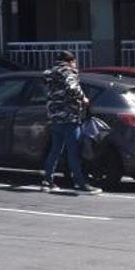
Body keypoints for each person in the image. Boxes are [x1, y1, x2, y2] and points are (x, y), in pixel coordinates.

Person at [41, 49, 95, 194]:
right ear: (70, 61)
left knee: (55, 150)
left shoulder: (50, 73)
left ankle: (47, 180)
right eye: (74, 62)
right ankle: (80, 182)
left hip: (54, 117)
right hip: (69, 117)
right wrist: (84, 98)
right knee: (73, 151)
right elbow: (73, 87)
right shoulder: (68, 72)